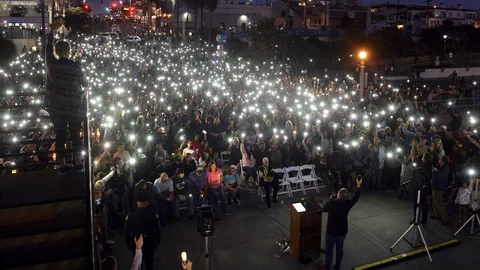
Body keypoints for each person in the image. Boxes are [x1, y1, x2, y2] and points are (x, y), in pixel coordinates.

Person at [44, 21, 88, 175]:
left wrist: (51, 32)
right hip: (74, 106)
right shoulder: (75, 66)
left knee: (60, 135)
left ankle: (62, 165)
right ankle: (77, 163)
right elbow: (85, 82)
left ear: (57, 51)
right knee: (76, 135)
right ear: (69, 51)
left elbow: (47, 49)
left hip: (56, 107)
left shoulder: (51, 64)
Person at [322, 176, 362, 270]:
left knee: (329, 251)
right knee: (340, 250)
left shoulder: (332, 203)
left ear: (338, 196)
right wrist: (358, 186)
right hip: (342, 232)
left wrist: (331, 199)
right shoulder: (348, 203)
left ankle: (327, 268)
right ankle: (337, 266)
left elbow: (324, 209)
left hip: (331, 231)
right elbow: (356, 197)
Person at [124, 191, 161, 270]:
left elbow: (127, 232)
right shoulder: (153, 215)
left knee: (137, 262)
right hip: (149, 241)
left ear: (137, 202)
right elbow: (157, 230)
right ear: (146, 202)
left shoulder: (130, 216)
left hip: (136, 241)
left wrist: (128, 243)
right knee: (149, 263)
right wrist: (157, 241)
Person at [430, 155, 451, 224]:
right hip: (436, 186)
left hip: (438, 187)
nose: (439, 160)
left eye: (440, 159)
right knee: (435, 201)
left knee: (439, 202)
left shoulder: (445, 169)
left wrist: (434, 171)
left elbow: (439, 177)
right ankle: (438, 215)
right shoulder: (442, 167)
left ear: (443, 161)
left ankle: (445, 218)